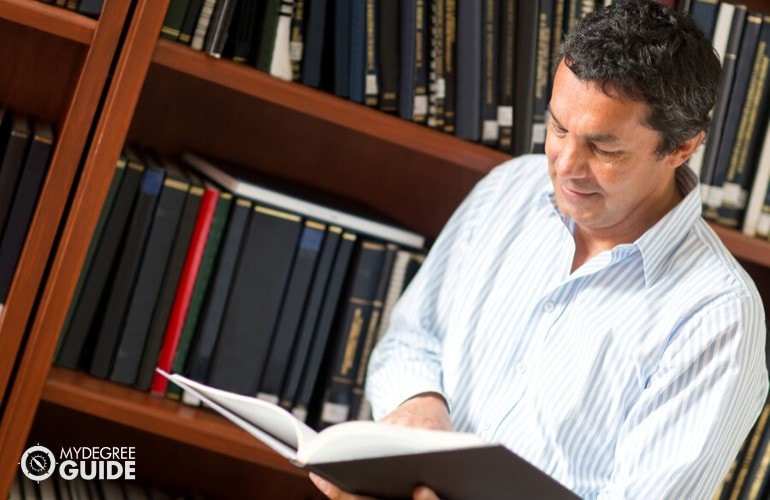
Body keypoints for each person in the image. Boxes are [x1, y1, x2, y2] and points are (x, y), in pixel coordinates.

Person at [311, 0, 769, 498]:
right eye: (557, 127)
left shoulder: (719, 319)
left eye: (604, 149)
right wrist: (420, 405)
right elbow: (410, 338)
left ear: (682, 147)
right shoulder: (507, 189)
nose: (565, 166)